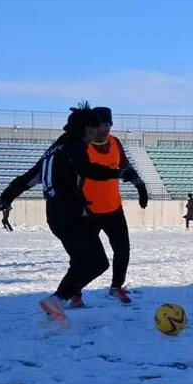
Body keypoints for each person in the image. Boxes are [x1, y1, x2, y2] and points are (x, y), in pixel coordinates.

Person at [0, 102, 140, 325]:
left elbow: (27, 179)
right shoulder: (74, 145)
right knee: (98, 262)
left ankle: (63, 300)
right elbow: (88, 170)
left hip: (54, 215)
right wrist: (117, 173)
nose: (92, 137)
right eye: (91, 131)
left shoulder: (52, 151)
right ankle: (58, 299)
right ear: (84, 129)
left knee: (80, 260)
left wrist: (4, 198)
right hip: (72, 212)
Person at [68, 106, 148, 307]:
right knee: (82, 255)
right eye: (101, 124)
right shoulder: (81, 145)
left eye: (108, 124)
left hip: (113, 209)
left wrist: (140, 186)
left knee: (122, 249)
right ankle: (75, 293)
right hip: (87, 211)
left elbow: (125, 167)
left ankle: (116, 286)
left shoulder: (115, 143)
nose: (104, 129)